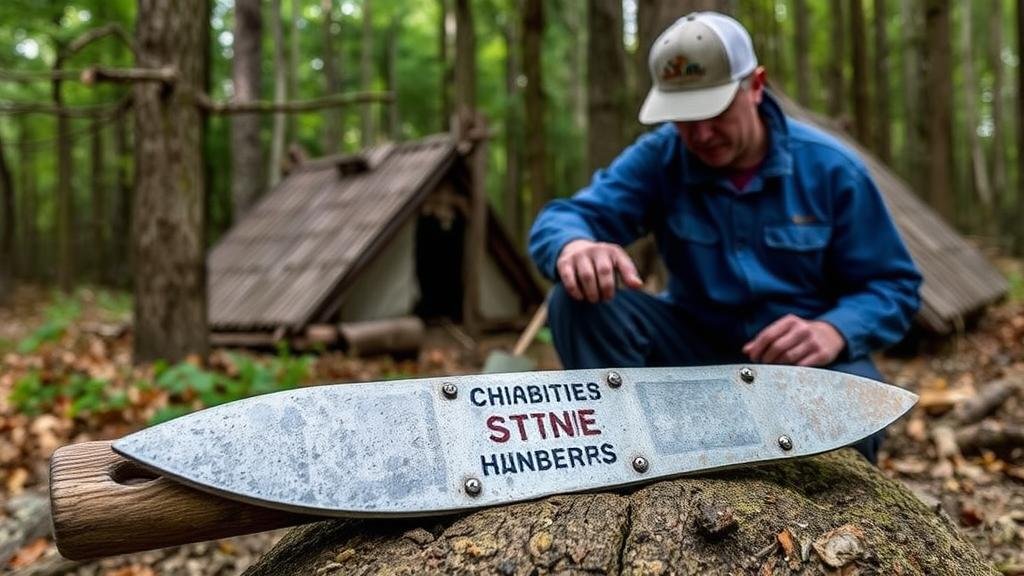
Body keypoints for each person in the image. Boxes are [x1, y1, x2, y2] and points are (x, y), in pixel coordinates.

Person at [527, 11, 922, 464]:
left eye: (713, 111)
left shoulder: (833, 170)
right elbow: (565, 217)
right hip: (692, 356)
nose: (700, 134)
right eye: (682, 117)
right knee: (577, 300)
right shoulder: (660, 158)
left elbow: (895, 286)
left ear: (756, 86)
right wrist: (575, 247)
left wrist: (834, 330)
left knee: (854, 407)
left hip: (801, 366)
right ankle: (627, 457)